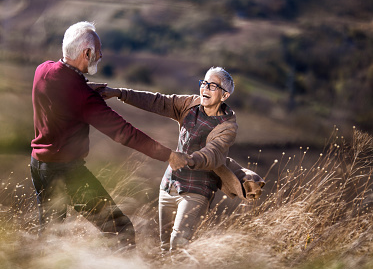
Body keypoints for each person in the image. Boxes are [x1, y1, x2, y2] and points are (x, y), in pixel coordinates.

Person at [30, 21, 190, 251]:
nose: (101, 54)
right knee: (120, 230)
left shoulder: (42, 70)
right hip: (67, 173)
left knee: (50, 235)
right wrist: (169, 156)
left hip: (39, 166)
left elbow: (63, 89)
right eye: (98, 51)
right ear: (86, 53)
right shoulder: (84, 97)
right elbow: (124, 133)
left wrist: (84, 87)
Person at [96, 67, 265, 251]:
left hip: (198, 190)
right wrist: (120, 93)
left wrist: (189, 159)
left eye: (212, 86)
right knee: (164, 246)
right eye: (204, 83)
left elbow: (213, 153)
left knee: (178, 243)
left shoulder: (228, 127)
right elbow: (157, 101)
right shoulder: (189, 105)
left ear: (224, 96)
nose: (205, 89)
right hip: (170, 184)